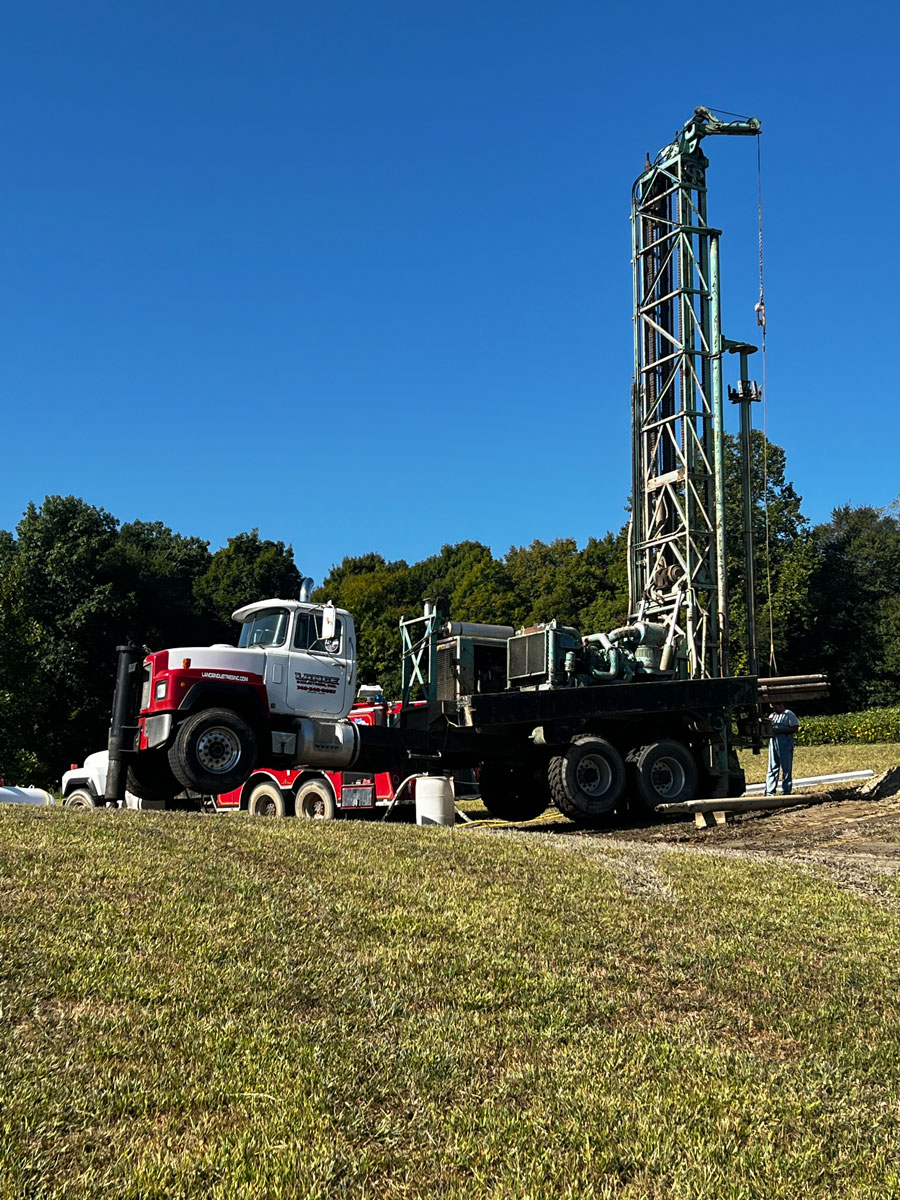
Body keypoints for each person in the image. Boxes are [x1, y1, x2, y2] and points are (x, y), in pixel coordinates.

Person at [765, 702, 800, 796]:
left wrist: (780, 731)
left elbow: (795, 728)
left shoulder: (789, 714)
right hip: (773, 743)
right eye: (773, 708)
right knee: (772, 767)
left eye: (775, 707)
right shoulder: (772, 716)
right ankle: (770, 792)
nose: (774, 709)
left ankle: (786, 791)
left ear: (781, 705)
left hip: (786, 743)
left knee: (786, 768)